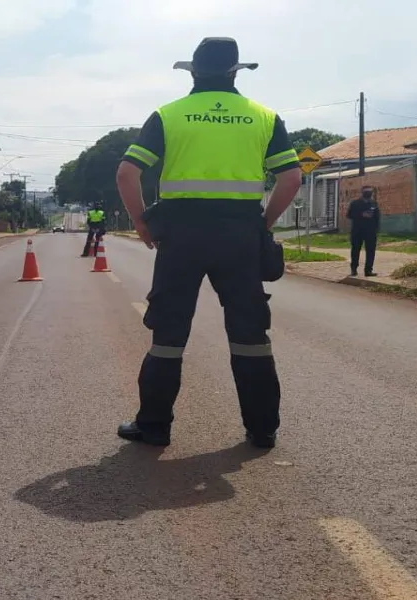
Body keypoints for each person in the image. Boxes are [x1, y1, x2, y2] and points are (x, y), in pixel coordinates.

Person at [113, 37, 303, 450]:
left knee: (169, 332)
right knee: (250, 333)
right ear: (236, 72)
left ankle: (154, 427)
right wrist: (263, 224)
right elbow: (291, 177)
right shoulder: (264, 117)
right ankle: (262, 429)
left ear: (193, 71)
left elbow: (127, 173)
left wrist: (142, 223)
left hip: (181, 236)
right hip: (240, 235)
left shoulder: (169, 115)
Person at [346, 186, 380, 276]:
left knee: (371, 251)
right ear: (362, 192)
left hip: (370, 231)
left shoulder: (374, 203)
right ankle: (354, 269)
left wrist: (376, 229)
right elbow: (349, 215)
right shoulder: (355, 203)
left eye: (370, 191)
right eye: (367, 191)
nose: (369, 193)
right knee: (355, 250)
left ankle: (368, 270)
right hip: (358, 230)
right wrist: (361, 215)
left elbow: (377, 217)